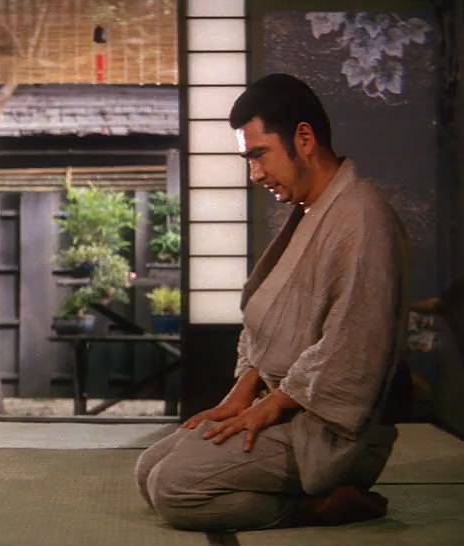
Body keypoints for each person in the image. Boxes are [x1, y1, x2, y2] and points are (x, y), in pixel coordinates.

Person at [135, 73, 411, 531]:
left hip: (327, 429)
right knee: (149, 472)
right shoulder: (313, 211)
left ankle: (319, 507)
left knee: (174, 489)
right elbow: (280, 328)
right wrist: (239, 398)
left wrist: (270, 406)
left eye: (259, 155)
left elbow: (354, 348)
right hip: (285, 406)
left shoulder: (363, 220)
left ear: (304, 138)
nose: (255, 173)